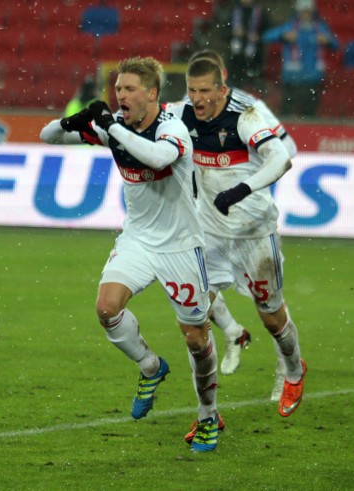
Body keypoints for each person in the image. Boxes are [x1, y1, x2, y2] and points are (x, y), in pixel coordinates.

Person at [39, 57, 220, 453]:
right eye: (118, 89)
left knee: (195, 338)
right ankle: (151, 367)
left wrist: (113, 128)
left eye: (129, 89)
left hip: (180, 246)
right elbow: (46, 136)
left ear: (152, 94)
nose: (120, 95)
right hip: (138, 239)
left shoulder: (173, 129)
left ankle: (209, 415)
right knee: (106, 309)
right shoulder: (113, 128)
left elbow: (156, 158)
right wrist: (75, 121)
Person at [165, 58, 306, 439]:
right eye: (192, 91)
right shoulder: (179, 113)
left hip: (253, 232)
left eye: (205, 91)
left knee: (272, 317)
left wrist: (242, 189)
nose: (197, 99)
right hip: (206, 233)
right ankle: (208, 412)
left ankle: (293, 368)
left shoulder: (246, 114)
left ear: (222, 89)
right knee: (194, 321)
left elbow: (282, 157)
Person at [262, 0, 338, 118]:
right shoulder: (290, 27)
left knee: (309, 113)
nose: (305, 15)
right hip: (292, 77)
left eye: (308, 12)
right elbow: (267, 36)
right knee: (287, 111)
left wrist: (327, 41)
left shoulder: (319, 28)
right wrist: (283, 36)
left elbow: (336, 44)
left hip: (313, 77)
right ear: (298, 12)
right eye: (303, 12)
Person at [226, 0, 270, 92]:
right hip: (236, 58)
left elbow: (269, 32)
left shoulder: (260, 12)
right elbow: (223, 31)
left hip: (255, 58)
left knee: (253, 91)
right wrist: (233, 33)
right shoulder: (233, 11)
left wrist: (258, 37)